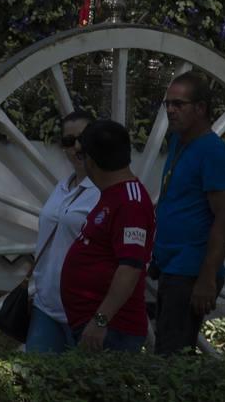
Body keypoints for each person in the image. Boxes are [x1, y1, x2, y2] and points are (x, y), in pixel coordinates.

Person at [151, 71, 225, 355]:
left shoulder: (213, 152)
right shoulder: (179, 141)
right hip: (172, 265)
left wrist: (207, 278)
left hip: (190, 271)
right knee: (166, 348)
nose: (171, 111)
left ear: (201, 108)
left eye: (178, 104)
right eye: (167, 104)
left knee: (172, 357)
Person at [59, 119, 154, 352]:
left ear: (91, 160)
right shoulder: (115, 195)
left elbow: (130, 268)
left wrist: (100, 320)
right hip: (100, 328)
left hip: (111, 332)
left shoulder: (131, 202)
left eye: (81, 154)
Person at [26, 110, 99, 353]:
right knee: (36, 382)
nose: (77, 147)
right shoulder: (62, 187)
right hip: (46, 307)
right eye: (69, 141)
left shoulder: (106, 191)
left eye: (84, 138)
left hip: (85, 311)